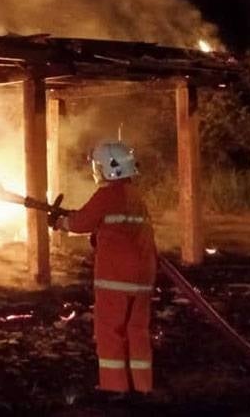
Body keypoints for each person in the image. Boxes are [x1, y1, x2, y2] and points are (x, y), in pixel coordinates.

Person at [49, 140, 157, 395]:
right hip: (143, 278)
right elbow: (111, 226)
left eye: (97, 166)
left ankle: (113, 389)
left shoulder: (108, 195)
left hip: (116, 278)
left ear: (107, 168)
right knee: (138, 332)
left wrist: (59, 222)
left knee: (109, 333)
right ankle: (143, 388)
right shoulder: (135, 196)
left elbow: (81, 222)